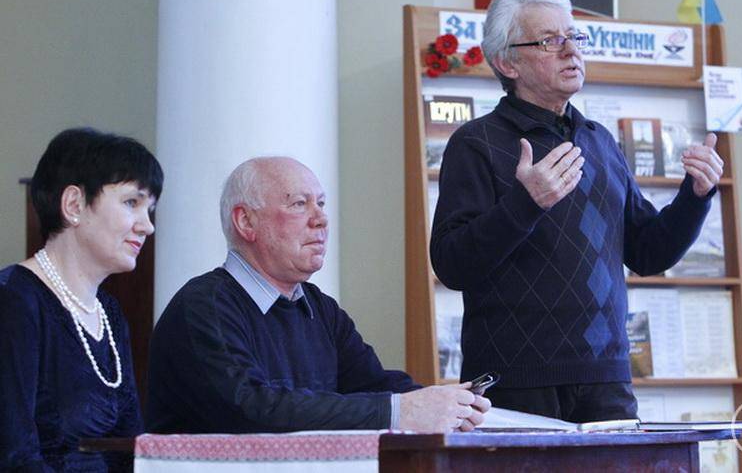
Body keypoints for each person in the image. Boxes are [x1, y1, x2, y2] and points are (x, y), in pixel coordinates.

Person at [430, 0, 723, 423]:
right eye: (551, 41)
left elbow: (648, 253)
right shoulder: (476, 143)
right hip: (516, 383)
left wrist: (694, 196)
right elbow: (452, 264)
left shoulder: (599, 141)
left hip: (607, 379)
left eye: (574, 37)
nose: (571, 51)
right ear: (508, 62)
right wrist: (526, 203)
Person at [146, 156, 489, 434]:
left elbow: (373, 385)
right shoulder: (204, 306)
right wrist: (399, 411)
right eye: (299, 204)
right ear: (246, 222)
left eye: (321, 204)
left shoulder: (319, 308)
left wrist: (445, 404)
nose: (321, 219)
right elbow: (250, 410)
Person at [0, 128, 163, 471]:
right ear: (74, 205)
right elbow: (15, 456)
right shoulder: (13, 299)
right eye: (132, 203)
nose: (147, 226)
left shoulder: (109, 313)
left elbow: (128, 449)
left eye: (149, 209)